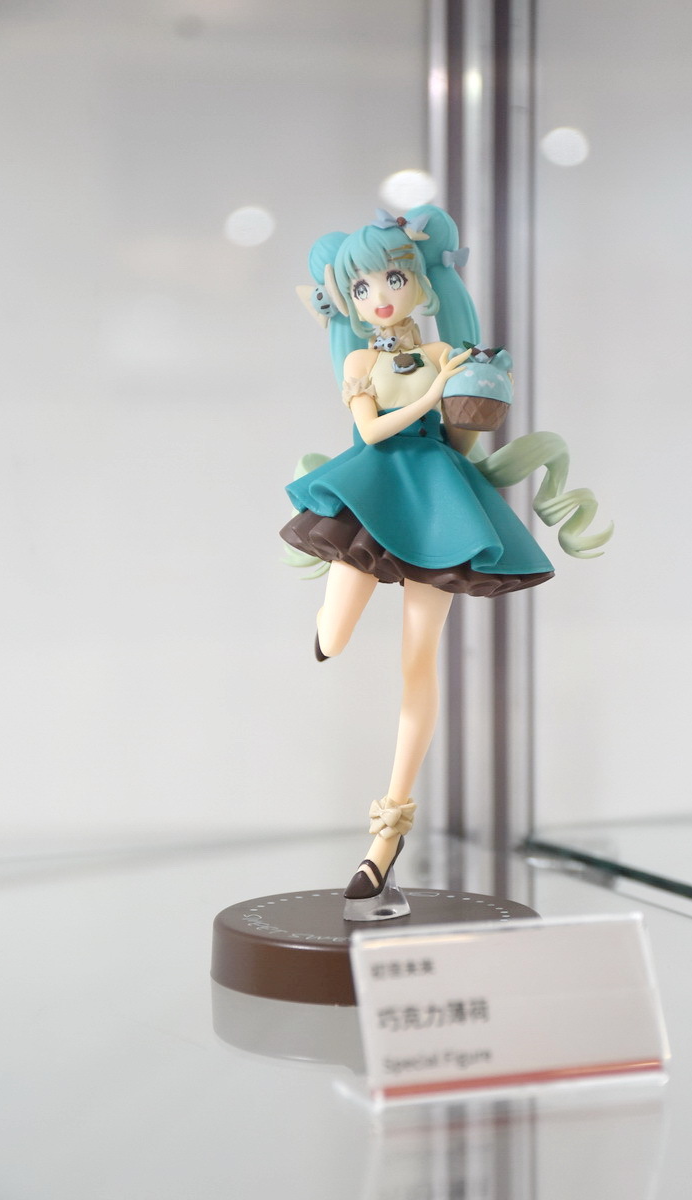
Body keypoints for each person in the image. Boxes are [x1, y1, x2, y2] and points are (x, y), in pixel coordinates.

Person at [280, 205, 611, 918]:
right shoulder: (362, 363)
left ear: (420, 283)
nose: (381, 297)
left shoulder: (444, 355)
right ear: (349, 300)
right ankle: (325, 622)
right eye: (362, 287)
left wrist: (470, 398)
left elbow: (461, 443)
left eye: (393, 279)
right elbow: (371, 432)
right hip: (371, 491)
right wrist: (431, 394)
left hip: (438, 502)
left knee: (419, 661)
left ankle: (386, 833)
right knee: (335, 635)